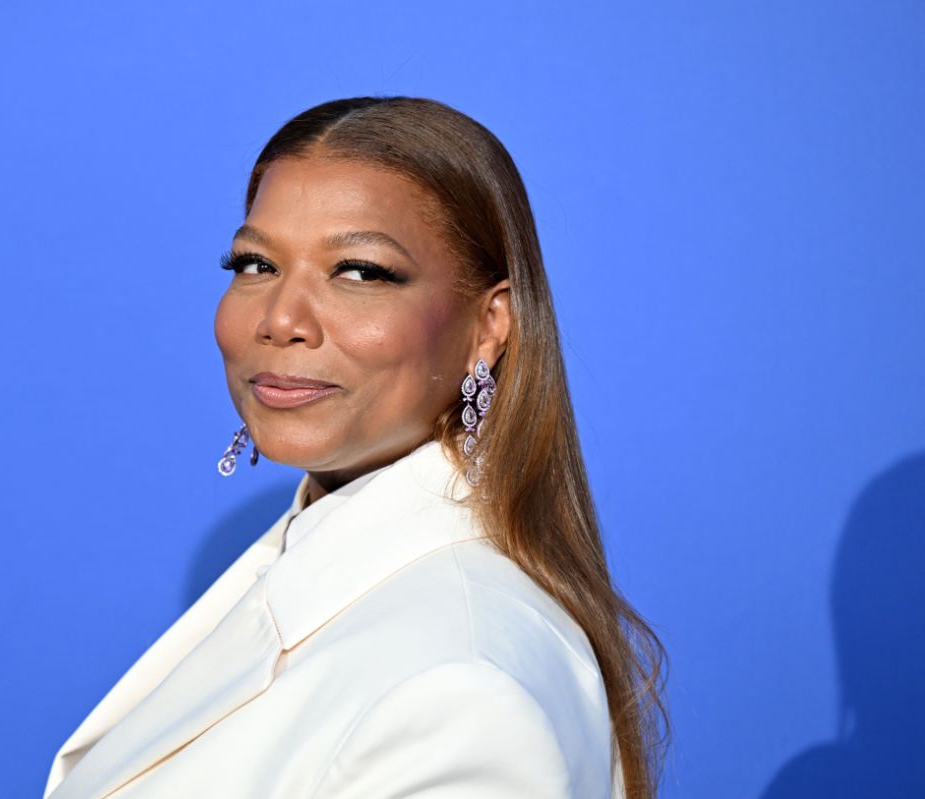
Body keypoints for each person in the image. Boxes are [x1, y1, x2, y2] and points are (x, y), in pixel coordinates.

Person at [42, 96, 669, 799]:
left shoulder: (462, 693)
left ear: (489, 326)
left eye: (360, 272)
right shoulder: (315, 567)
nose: (280, 318)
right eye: (253, 264)